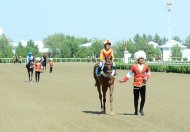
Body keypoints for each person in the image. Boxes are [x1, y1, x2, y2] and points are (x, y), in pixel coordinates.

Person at [119, 50, 151, 116]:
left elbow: (148, 72)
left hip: (143, 84)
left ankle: (141, 109)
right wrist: (123, 80)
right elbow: (129, 74)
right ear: (137, 59)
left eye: (142, 58)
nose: (141, 60)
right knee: (136, 98)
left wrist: (146, 77)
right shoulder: (134, 66)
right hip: (136, 84)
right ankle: (136, 110)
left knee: (143, 97)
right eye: (140, 59)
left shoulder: (146, 66)